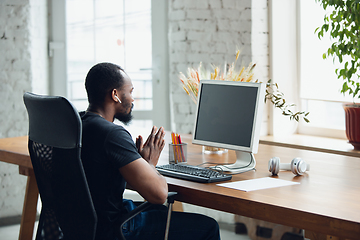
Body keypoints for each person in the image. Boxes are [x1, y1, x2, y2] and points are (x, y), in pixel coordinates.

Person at [80, 62, 221, 240]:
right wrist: (150, 165)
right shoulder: (112, 134)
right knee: (208, 227)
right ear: (115, 95)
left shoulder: (77, 124)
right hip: (112, 228)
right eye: (130, 91)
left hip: (84, 223)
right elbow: (159, 194)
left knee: (161, 212)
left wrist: (137, 164)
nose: (132, 99)